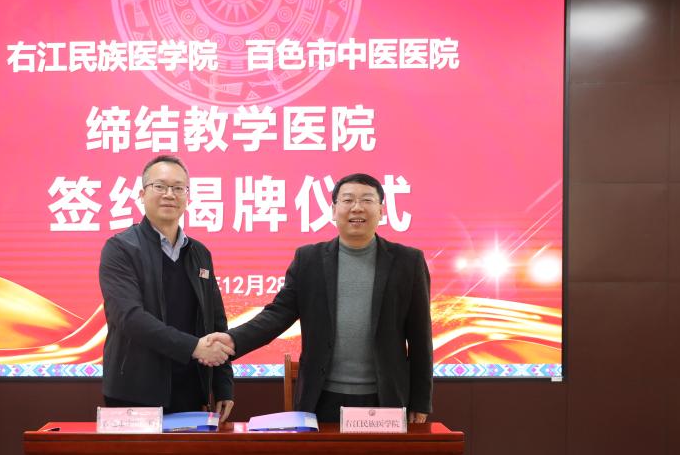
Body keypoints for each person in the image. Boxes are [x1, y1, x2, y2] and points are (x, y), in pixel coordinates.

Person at [207, 172, 432, 423]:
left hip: (385, 397)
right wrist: (232, 340)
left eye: (367, 200)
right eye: (348, 200)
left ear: (381, 211)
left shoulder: (408, 262)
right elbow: (277, 315)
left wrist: (420, 401)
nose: (357, 207)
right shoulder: (309, 259)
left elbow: (420, 337)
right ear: (334, 210)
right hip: (321, 397)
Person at [99, 154, 235, 421]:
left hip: (191, 389)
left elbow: (216, 321)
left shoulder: (199, 253)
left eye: (178, 188)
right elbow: (129, 318)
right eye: (160, 186)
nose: (169, 195)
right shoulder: (120, 248)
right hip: (134, 391)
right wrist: (194, 347)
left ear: (188, 197)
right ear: (142, 194)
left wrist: (223, 385)